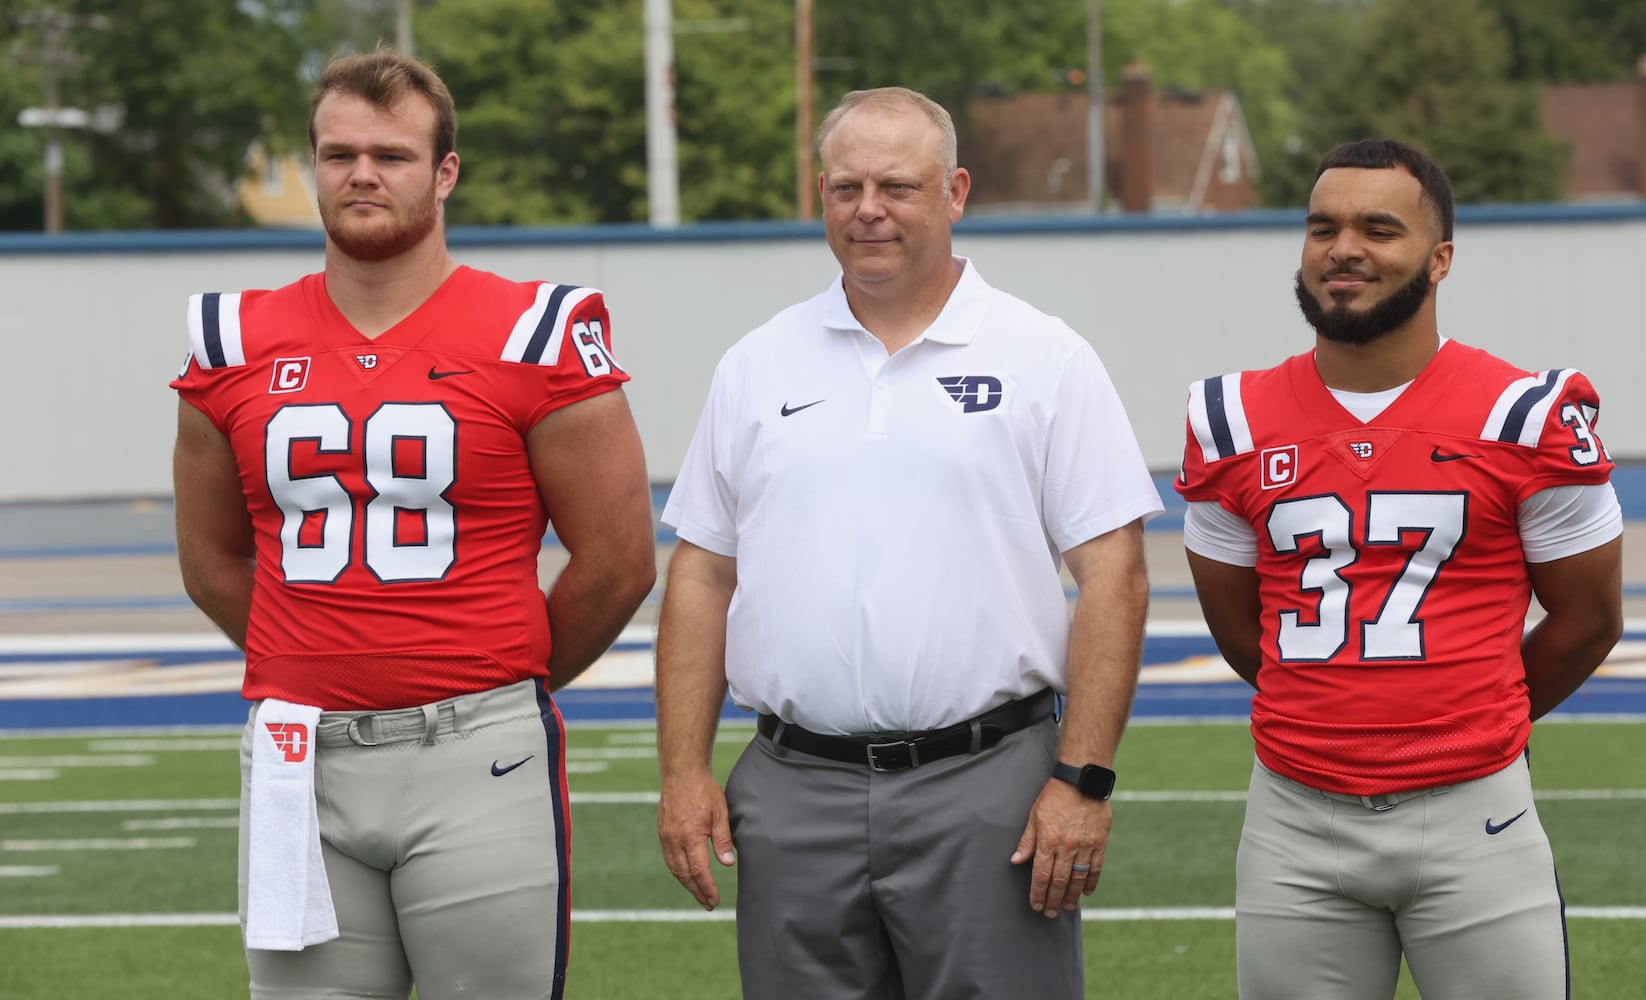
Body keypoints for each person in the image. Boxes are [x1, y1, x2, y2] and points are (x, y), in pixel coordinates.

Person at [653, 86, 1162, 999]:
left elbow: (1113, 575)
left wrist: (1080, 781)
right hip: (791, 784)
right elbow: (701, 573)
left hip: (986, 785)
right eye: (845, 187)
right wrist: (683, 772)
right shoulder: (758, 363)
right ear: (819, 194)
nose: (868, 210)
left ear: (955, 191)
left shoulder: (1042, 356)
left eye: (897, 185)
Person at [170, 50, 656, 1000]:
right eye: (338, 152)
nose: (360, 173)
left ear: (444, 173)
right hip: (296, 752)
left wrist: (497, 679)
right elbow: (212, 559)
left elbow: (618, 561)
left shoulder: (535, 330)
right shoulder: (232, 338)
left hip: (477, 749)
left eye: (390, 154)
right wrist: (315, 652)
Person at [1176, 138, 1625, 999]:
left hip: (1473, 811)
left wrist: (1474, 717)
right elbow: (1241, 631)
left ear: (1439, 257)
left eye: (1379, 228)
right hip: (1293, 812)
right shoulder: (1228, 418)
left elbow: (1589, 619)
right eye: (1322, 228)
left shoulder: (1523, 413)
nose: (1343, 249)